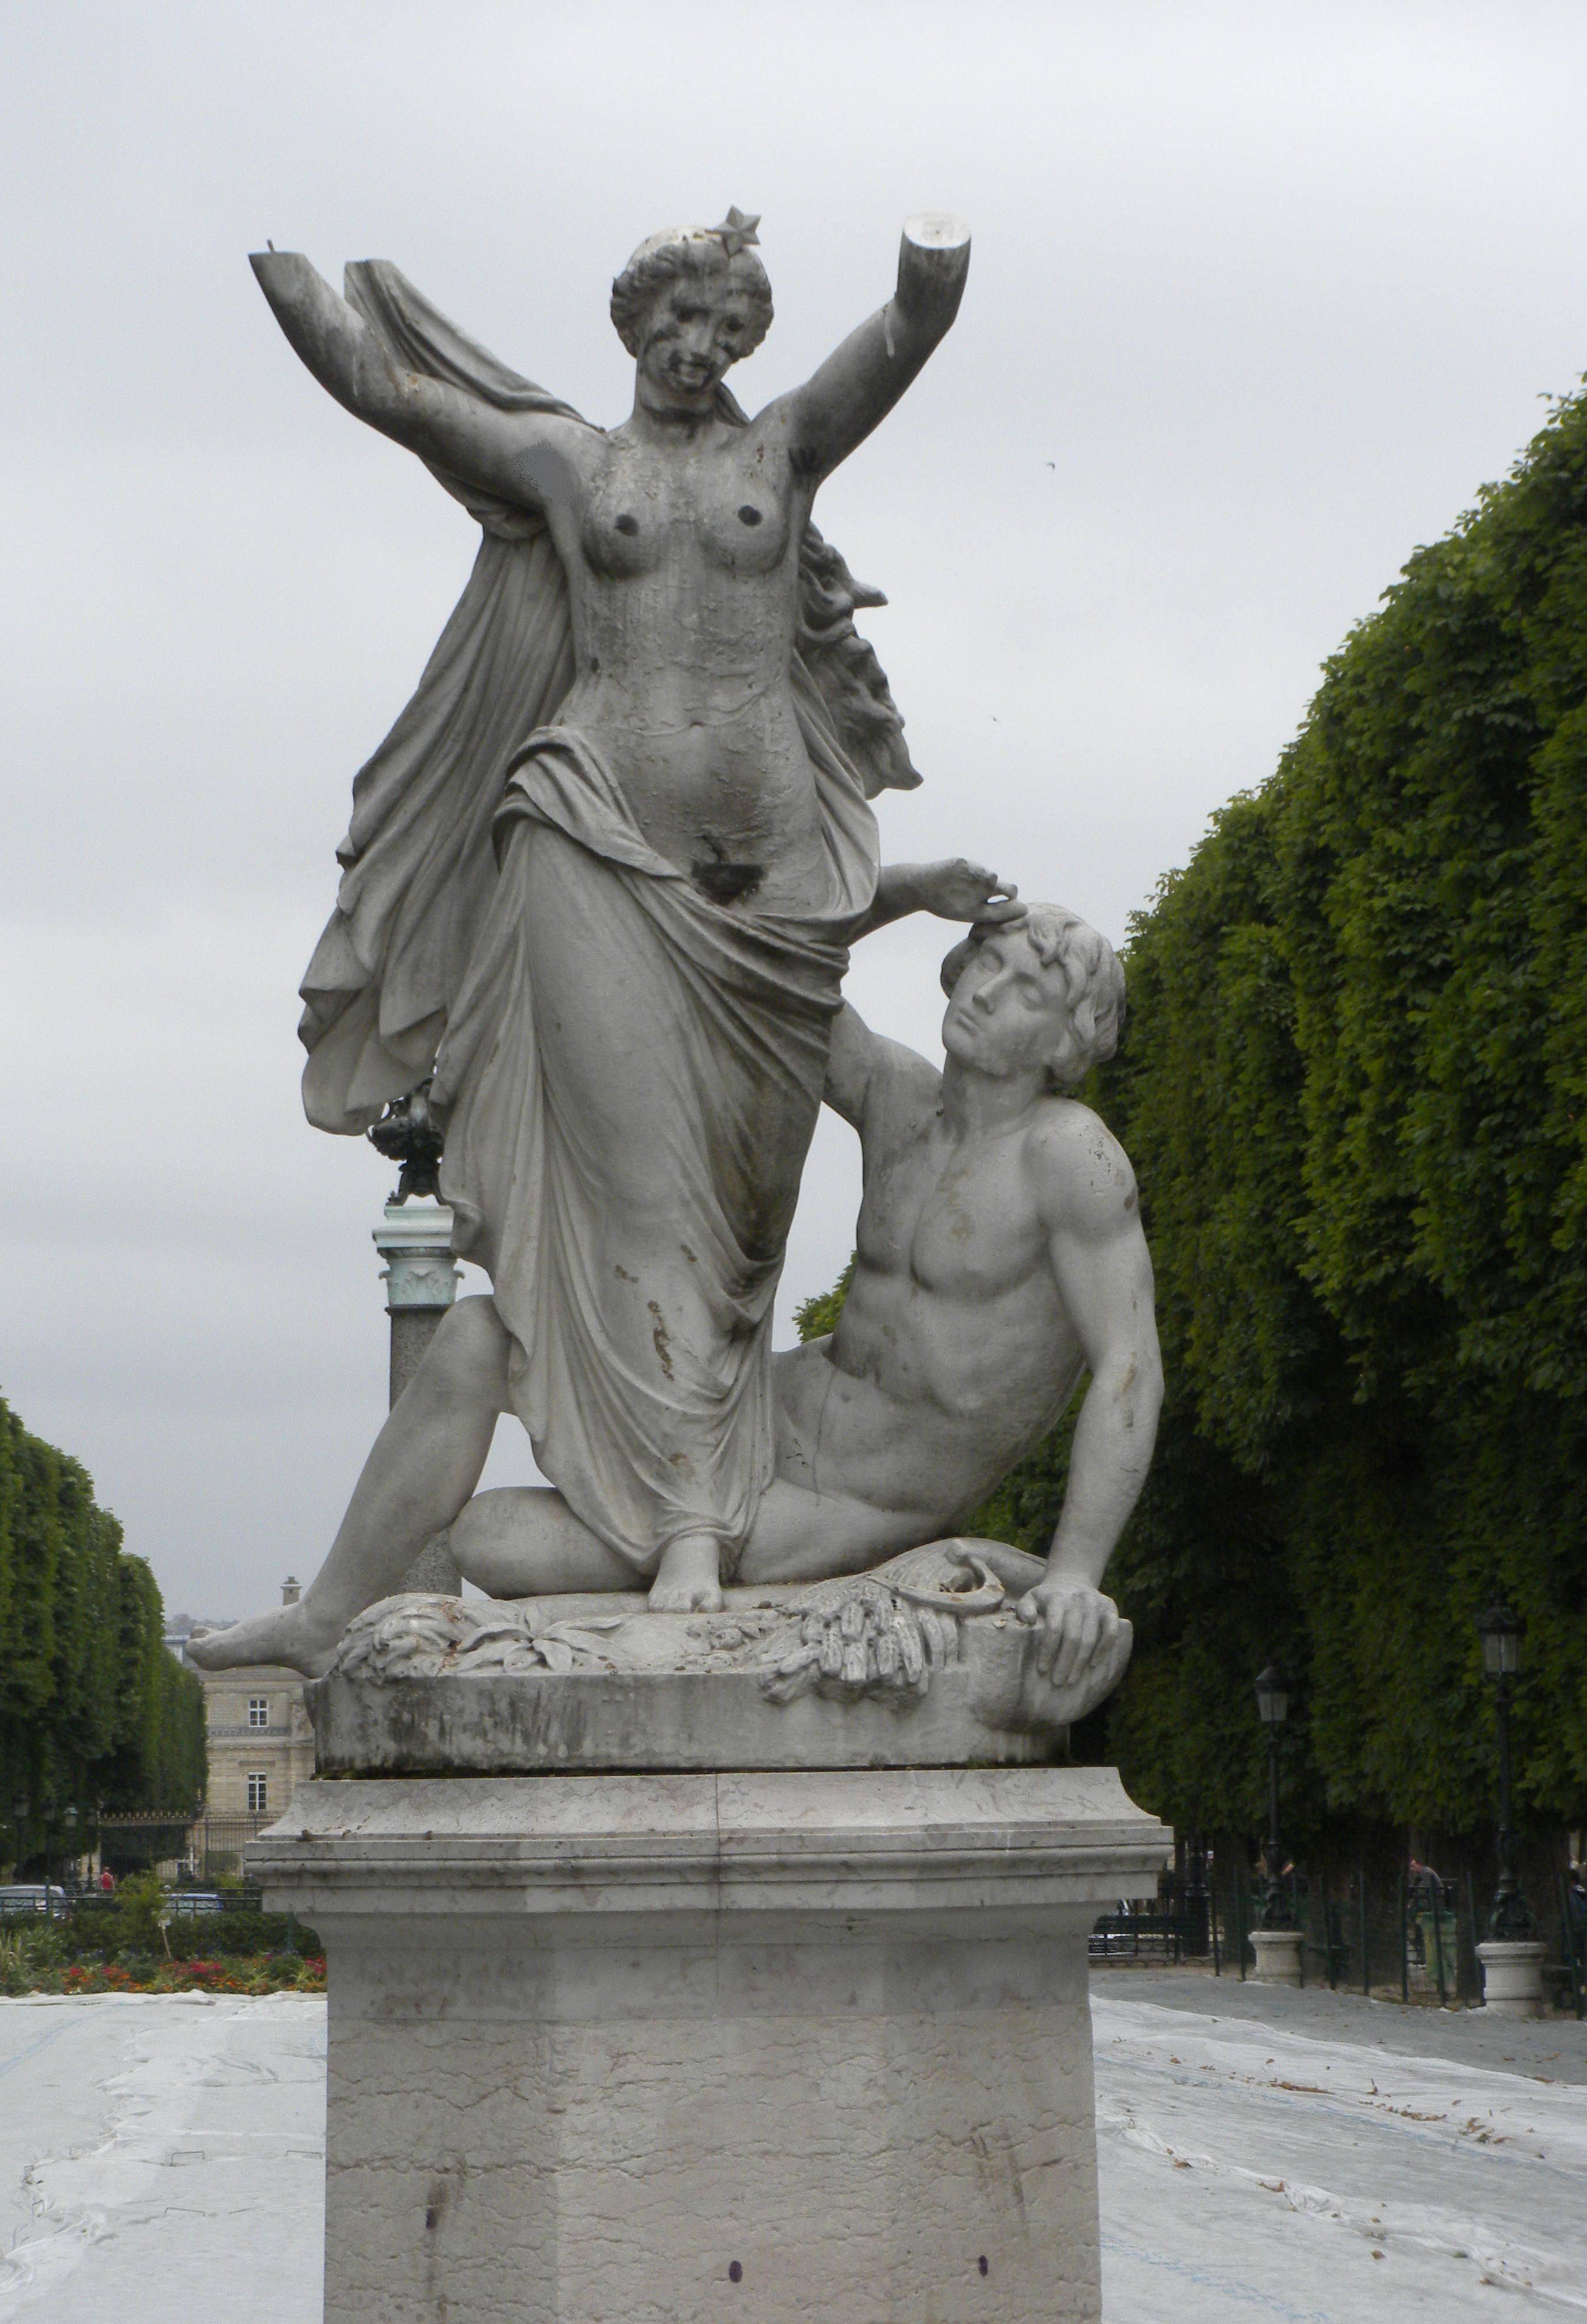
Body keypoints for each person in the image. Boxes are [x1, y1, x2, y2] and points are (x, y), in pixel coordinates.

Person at [248, 208, 971, 1614]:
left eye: (727, 329)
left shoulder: (782, 458)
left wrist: (928, 279)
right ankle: (691, 1521)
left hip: (771, 902)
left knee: (748, 1224)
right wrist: (282, 272)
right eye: (678, 324)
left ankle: (683, 1500)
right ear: (633, 325)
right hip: (589, 836)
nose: (699, 350)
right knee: (646, 1197)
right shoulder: (571, 462)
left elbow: (897, 345)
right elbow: (396, 396)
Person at [194, 899, 1162, 1691]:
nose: (988, 991)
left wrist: (1078, 1572)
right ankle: (326, 1612)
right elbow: (766, 962)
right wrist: (902, 892)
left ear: (1068, 1040)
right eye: (984, 961)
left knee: (491, 1538)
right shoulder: (901, 1099)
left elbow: (1128, 1364)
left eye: (1027, 988)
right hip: (756, 1406)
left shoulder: (1068, 1158)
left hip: (847, 1497)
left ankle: (686, 1543)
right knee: (479, 1331)